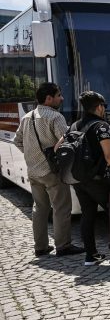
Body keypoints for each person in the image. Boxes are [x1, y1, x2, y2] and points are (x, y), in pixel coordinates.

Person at [14, 82, 84, 257]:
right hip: (52, 172)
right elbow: (67, 143)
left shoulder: (27, 117)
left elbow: (17, 141)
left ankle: (40, 247)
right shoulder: (55, 117)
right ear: (48, 98)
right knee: (61, 208)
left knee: (39, 208)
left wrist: (32, 155)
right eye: (58, 95)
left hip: (33, 171)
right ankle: (63, 246)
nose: (61, 98)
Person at [62, 91, 110, 266]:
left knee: (88, 215)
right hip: (99, 179)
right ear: (99, 106)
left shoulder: (73, 125)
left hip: (79, 179)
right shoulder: (101, 126)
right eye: (104, 106)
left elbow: (57, 148)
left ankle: (90, 256)